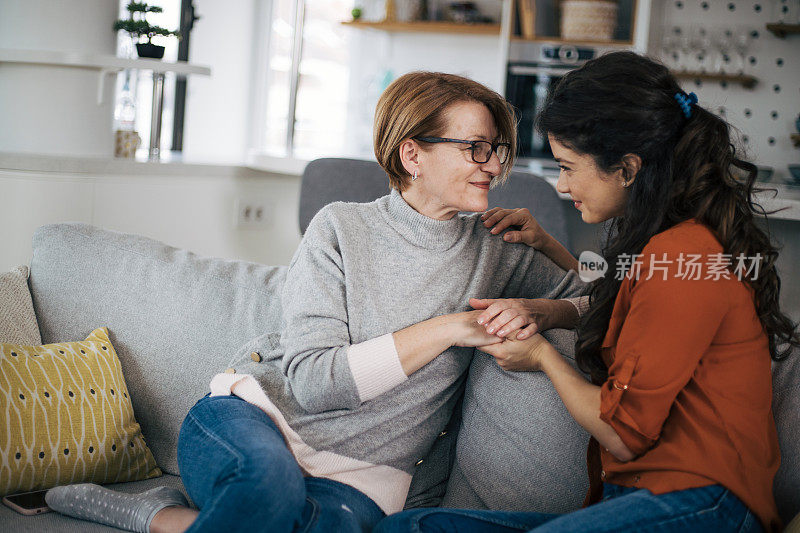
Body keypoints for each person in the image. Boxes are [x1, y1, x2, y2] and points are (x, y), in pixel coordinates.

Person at [44, 71, 588, 533]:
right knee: (269, 492)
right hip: (261, 421)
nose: (492, 166)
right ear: (412, 154)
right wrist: (448, 329)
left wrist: (549, 248)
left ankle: (160, 518)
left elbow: (608, 297)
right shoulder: (340, 228)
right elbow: (314, 383)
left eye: (495, 150)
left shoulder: (499, 247)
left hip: (366, 476)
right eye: (475, 148)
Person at [375, 51, 800, 533]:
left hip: (705, 505)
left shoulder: (686, 259)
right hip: (637, 500)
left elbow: (622, 435)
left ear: (627, 169)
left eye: (569, 167)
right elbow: (610, 300)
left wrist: (541, 355)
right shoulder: (667, 249)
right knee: (410, 527)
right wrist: (548, 248)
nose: (560, 186)